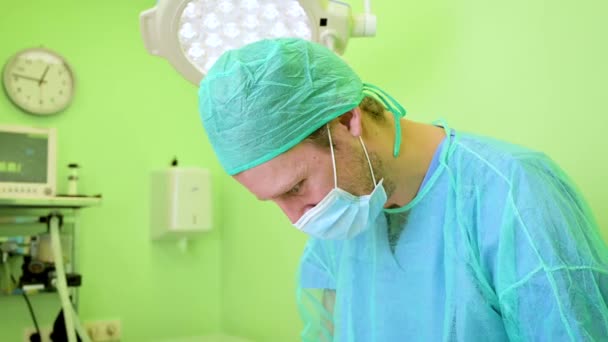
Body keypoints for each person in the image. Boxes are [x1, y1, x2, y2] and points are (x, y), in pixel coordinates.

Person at [198, 38, 608, 341]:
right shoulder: (338, 226)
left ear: (346, 122)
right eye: (273, 201)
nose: (297, 216)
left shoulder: (513, 192)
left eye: (296, 187)